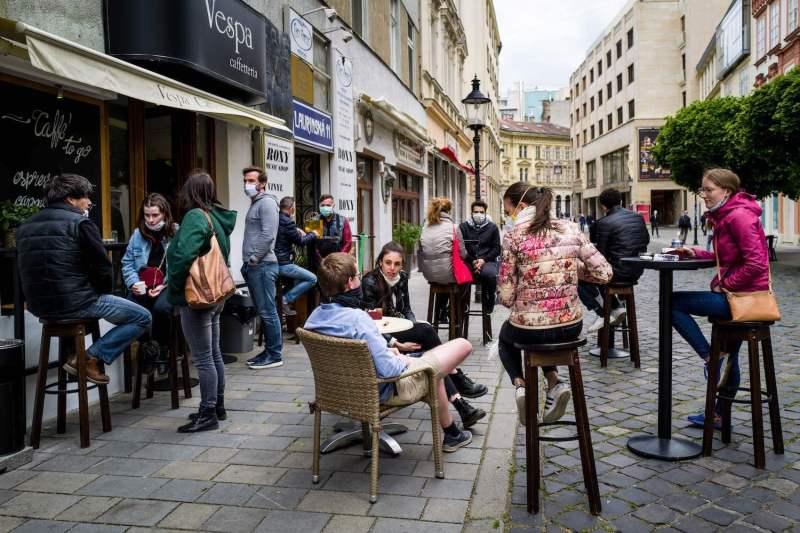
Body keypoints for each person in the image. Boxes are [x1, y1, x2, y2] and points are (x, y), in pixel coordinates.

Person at [305, 252, 473, 452]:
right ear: (350, 283)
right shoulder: (358, 319)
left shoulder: (313, 318)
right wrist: (405, 359)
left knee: (433, 368)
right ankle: (453, 431)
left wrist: (389, 351)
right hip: (379, 389)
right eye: (358, 275)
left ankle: (453, 432)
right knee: (461, 346)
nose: (360, 279)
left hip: (337, 391)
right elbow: (390, 370)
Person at [17, 174, 152, 385]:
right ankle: (88, 357)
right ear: (71, 198)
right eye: (86, 196)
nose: (89, 202)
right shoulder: (81, 223)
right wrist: (101, 292)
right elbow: (103, 268)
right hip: (77, 304)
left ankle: (75, 356)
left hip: (40, 308)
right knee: (143, 317)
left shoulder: (25, 227)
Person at [497, 183, 612, 425]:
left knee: (507, 340)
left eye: (509, 210)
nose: (510, 215)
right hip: (571, 325)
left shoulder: (514, 235)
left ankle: (521, 386)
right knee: (542, 337)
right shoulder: (571, 228)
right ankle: (554, 382)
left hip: (529, 328)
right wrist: (569, 269)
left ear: (521, 206)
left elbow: (505, 297)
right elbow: (604, 273)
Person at [672, 169, 769, 429]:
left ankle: (711, 357)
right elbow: (725, 258)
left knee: (673, 303)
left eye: (708, 190)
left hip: (743, 297)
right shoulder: (727, 216)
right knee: (731, 353)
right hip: (737, 296)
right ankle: (719, 414)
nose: (703, 195)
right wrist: (693, 252)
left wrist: (725, 285)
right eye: (702, 190)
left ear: (726, 191)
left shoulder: (738, 217)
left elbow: (758, 264)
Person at [361, 241, 487, 428]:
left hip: (398, 327)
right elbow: (370, 324)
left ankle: (461, 402)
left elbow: (407, 310)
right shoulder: (370, 282)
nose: (392, 268)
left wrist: (414, 324)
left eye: (397, 264)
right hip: (382, 336)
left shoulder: (402, 278)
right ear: (380, 262)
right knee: (429, 337)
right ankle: (458, 385)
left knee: (426, 333)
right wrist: (395, 342)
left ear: (402, 264)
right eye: (388, 263)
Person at [167, 170, 237, 433]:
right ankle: (217, 407)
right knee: (214, 353)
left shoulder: (195, 216)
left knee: (204, 357)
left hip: (197, 296)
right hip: (216, 295)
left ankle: (207, 413)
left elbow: (183, 256)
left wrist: (174, 289)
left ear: (189, 192)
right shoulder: (216, 217)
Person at [578, 188, 650, 333]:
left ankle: (603, 313)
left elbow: (600, 256)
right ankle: (615, 308)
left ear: (603, 206)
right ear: (621, 201)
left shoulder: (604, 223)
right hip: (637, 270)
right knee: (596, 276)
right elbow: (646, 240)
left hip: (617, 273)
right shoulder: (638, 217)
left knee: (579, 279)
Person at [121, 193, 176, 370]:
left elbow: (182, 266)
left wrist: (163, 286)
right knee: (130, 307)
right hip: (143, 284)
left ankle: (162, 348)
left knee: (161, 308)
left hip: (168, 284)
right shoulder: (138, 234)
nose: (150, 220)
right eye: (147, 215)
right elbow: (127, 263)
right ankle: (146, 347)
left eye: (155, 215)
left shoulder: (176, 232)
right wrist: (133, 283)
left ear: (165, 214)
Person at [240, 166, 283, 370]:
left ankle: (275, 354)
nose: (247, 184)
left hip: (263, 265)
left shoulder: (266, 203)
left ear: (262, 183)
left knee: (268, 312)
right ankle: (269, 351)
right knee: (264, 311)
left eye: (251, 180)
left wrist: (254, 258)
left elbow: (268, 235)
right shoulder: (257, 203)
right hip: (257, 265)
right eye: (245, 181)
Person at [418, 197, 468, 322]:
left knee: (444, 274)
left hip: (429, 275)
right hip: (447, 274)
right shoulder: (454, 227)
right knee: (463, 277)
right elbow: (463, 254)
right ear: (449, 211)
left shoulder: (425, 227)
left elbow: (421, 251)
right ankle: (457, 312)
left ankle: (441, 311)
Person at [276, 196, 317, 316]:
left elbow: (286, 232)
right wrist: (313, 234)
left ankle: (279, 300)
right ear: (291, 209)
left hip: (274, 261)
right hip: (283, 264)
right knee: (312, 278)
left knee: (296, 279)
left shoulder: (277, 219)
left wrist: (296, 229)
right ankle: (284, 300)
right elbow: (301, 242)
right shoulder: (288, 222)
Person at [459, 199, 501, 314]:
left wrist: (484, 259)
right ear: (471, 213)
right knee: (460, 274)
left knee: (490, 275)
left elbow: (497, 248)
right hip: (469, 261)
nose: (479, 214)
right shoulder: (463, 227)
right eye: (476, 212)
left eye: (481, 212)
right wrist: (473, 261)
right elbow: (460, 248)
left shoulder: (492, 228)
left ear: (486, 213)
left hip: (487, 260)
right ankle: (461, 305)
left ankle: (490, 299)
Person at [314, 194, 353, 261]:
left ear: (333, 206)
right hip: (319, 262)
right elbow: (312, 244)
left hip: (338, 261)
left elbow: (348, 242)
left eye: (328, 205)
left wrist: (338, 258)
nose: (325, 207)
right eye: (323, 205)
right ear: (319, 206)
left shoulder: (343, 220)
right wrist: (320, 259)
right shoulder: (314, 221)